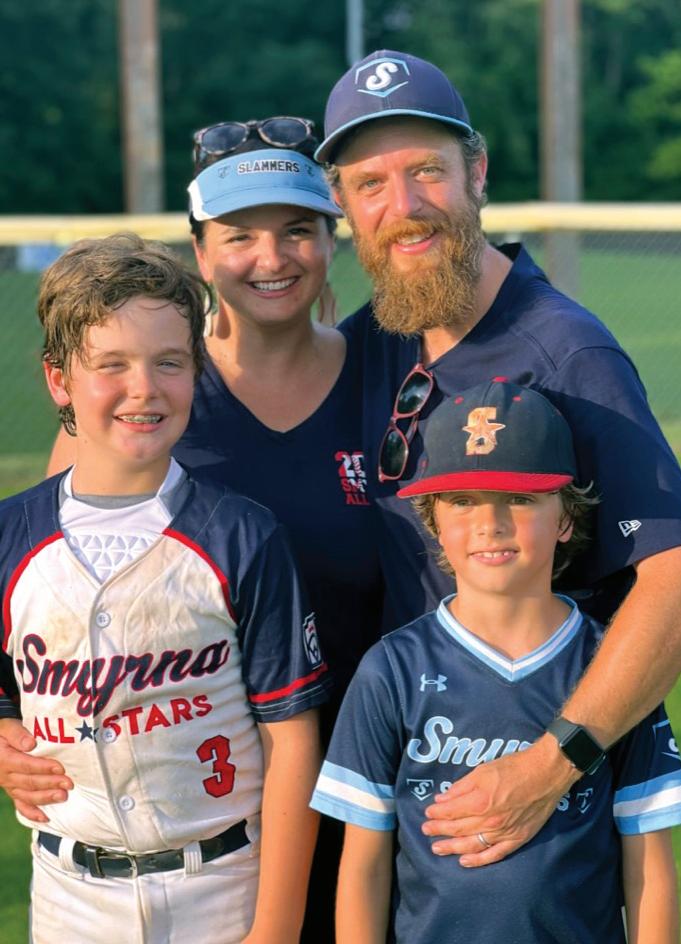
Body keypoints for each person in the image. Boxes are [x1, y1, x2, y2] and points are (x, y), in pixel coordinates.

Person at [0, 119, 383, 940]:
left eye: (297, 230)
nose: (270, 257)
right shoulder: (120, 422)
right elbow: (43, 609)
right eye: (239, 234)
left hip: (351, 803)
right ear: (201, 253)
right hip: (137, 840)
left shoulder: (386, 372)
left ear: (331, 239)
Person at [313, 50, 681, 865]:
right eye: (370, 184)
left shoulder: (566, 353)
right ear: (342, 205)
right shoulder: (375, 339)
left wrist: (550, 767)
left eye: (426, 172)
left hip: (543, 826)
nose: (403, 207)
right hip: (408, 800)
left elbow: (671, 577)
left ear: (475, 172)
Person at [312, 380, 681, 944]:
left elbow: (649, 863)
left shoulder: (615, 670)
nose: (492, 523)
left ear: (566, 517)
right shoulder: (392, 668)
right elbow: (364, 866)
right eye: (463, 501)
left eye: (521, 499)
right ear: (434, 520)